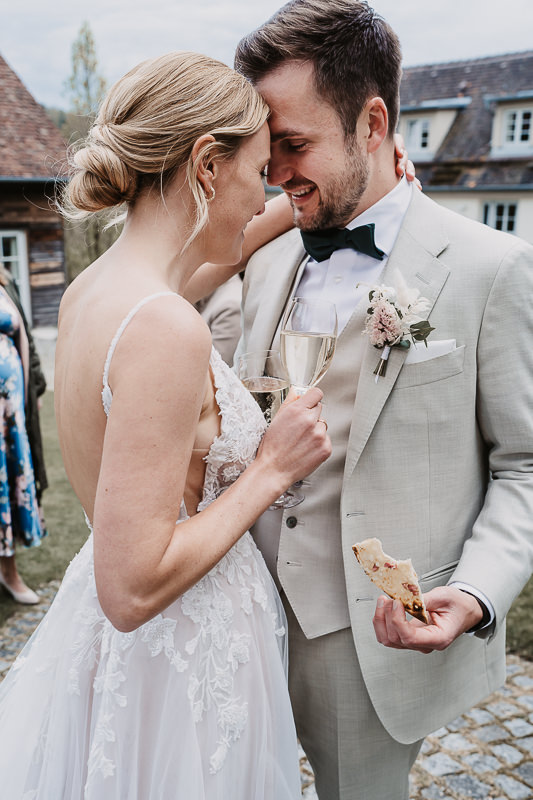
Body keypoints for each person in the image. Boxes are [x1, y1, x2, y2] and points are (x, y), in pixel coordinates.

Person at [0, 51, 331, 799]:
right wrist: (271, 470)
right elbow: (131, 588)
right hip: (179, 652)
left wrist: (308, 201)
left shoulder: (96, 291)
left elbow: (216, 254)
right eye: (257, 174)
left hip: (121, 652)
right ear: (206, 165)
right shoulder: (165, 330)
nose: (267, 191)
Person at [229, 2, 533, 799]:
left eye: (292, 145)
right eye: (265, 152)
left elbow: (525, 465)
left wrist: (472, 592)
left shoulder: (489, 268)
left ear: (372, 123)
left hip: (364, 644)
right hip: (236, 616)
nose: (273, 173)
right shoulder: (267, 259)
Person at [0, 270, 47, 605]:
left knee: (9, 482)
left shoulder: (4, 280)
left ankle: (8, 572)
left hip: (12, 412)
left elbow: (24, 334)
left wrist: (36, 385)